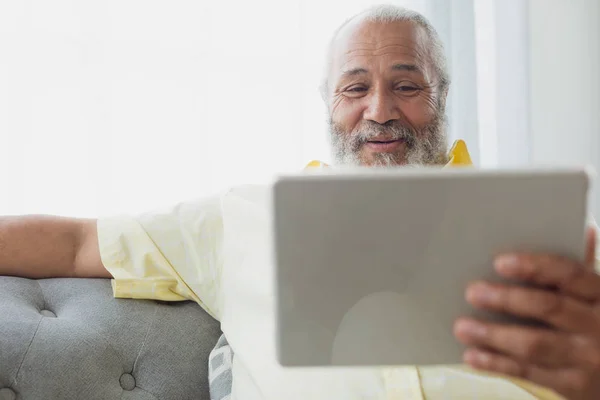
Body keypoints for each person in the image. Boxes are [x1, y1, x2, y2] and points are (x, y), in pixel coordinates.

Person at [1, 4, 600, 400]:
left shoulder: (531, 225)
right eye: (355, 87)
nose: (380, 110)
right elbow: (77, 242)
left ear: (443, 96)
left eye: (408, 85)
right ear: (328, 103)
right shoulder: (240, 217)